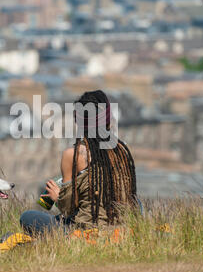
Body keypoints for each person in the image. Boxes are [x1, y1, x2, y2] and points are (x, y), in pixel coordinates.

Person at [19, 90, 140, 236]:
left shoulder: (73, 155)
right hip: (121, 229)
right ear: (107, 119)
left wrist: (57, 197)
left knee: (28, 217)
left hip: (86, 232)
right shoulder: (122, 150)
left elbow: (68, 209)